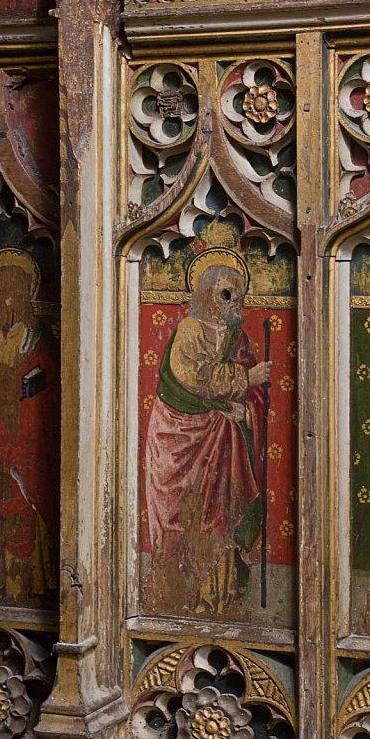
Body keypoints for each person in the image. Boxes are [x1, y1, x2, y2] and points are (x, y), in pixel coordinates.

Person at [145, 253, 272, 615]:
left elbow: (256, 396)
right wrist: (245, 379)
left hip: (223, 446)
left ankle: (218, 597)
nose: (234, 303)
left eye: (238, 296)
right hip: (179, 436)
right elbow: (192, 379)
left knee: (221, 513)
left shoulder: (238, 337)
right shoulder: (190, 330)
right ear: (205, 294)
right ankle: (174, 597)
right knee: (183, 519)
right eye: (225, 294)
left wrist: (248, 402)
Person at [0, 250, 59, 605]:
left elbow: (45, 384)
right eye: (1, 291)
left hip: (24, 436)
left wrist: (18, 385)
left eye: (13, 292)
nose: (6, 301)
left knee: (25, 500)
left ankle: (31, 582)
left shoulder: (33, 338)